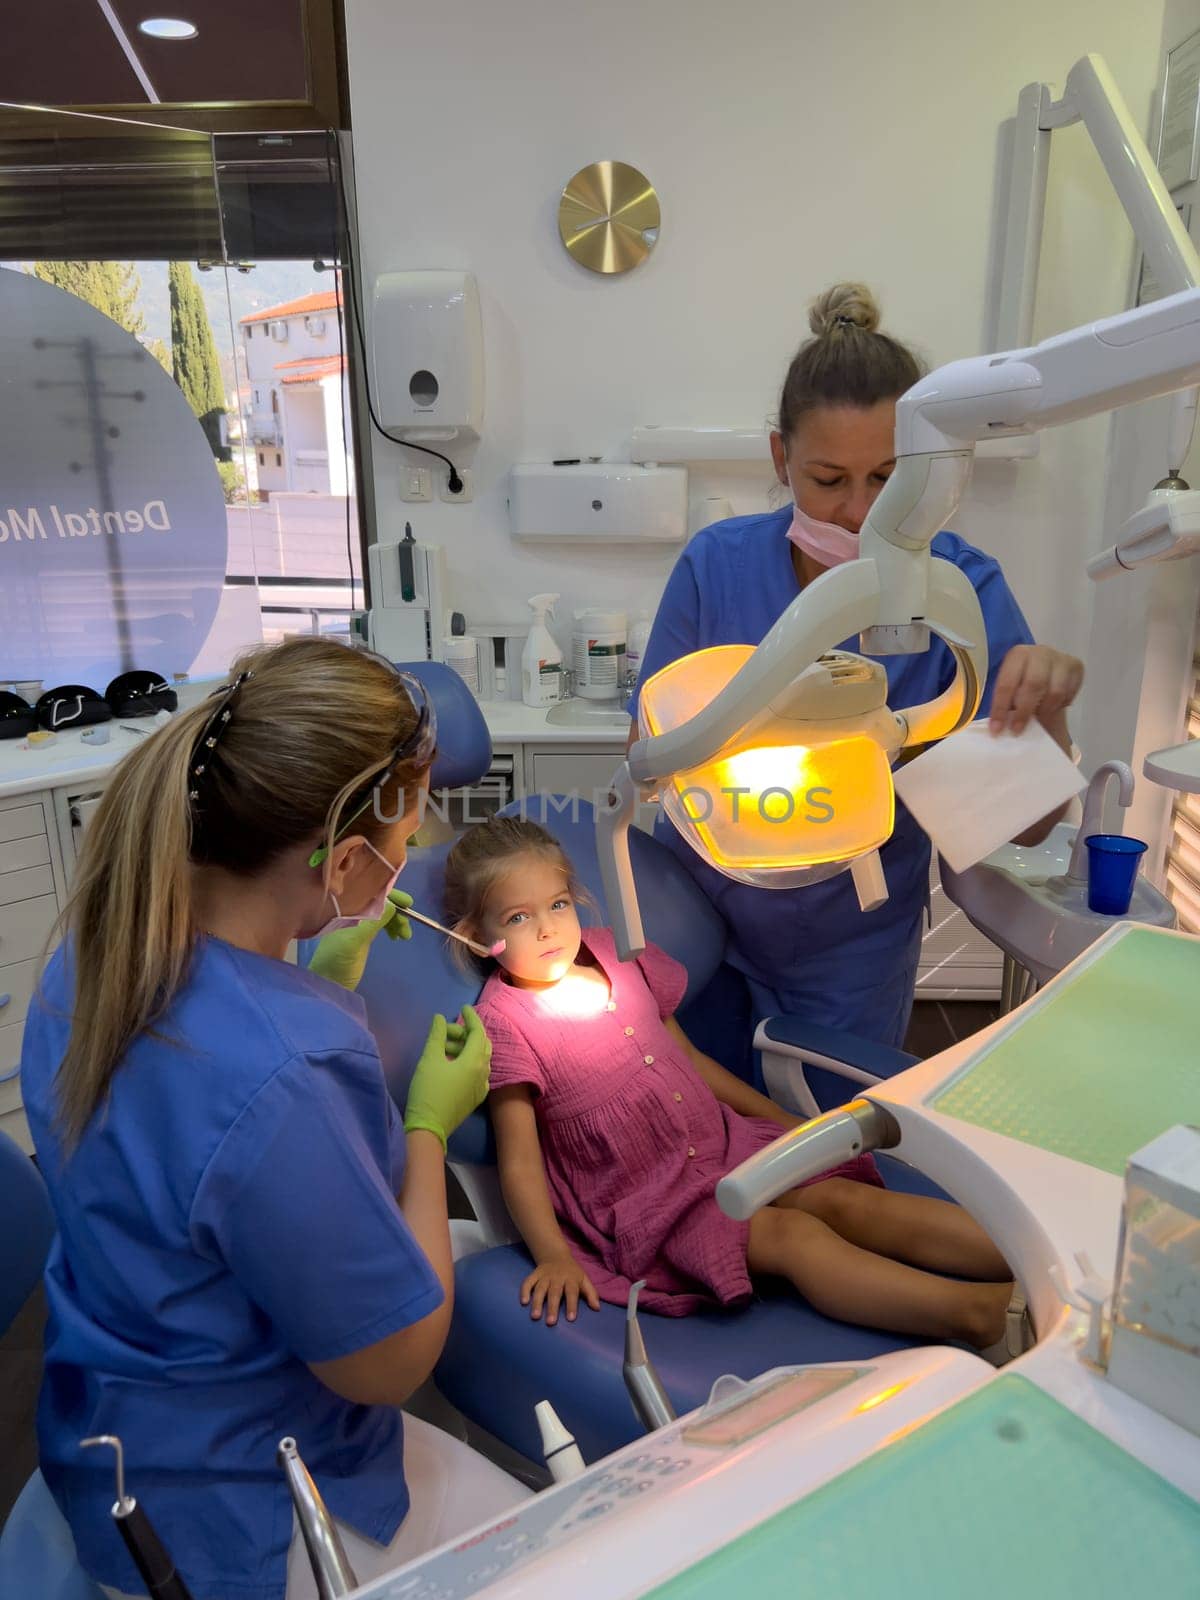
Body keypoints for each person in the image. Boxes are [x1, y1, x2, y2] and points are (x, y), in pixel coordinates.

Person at [20, 638, 524, 1600]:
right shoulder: (285, 1070)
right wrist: (426, 1124)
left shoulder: (95, 954)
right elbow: (390, 1362)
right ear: (340, 864)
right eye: (408, 835)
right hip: (236, 1505)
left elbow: (195, 1134)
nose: (414, 857)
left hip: (114, 1422)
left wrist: (308, 978)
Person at [629, 282, 1085, 1049]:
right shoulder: (718, 565)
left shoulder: (960, 594)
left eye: (887, 479)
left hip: (852, 944)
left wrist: (1045, 714)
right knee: (695, 1138)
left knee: (828, 1141)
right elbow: (645, 756)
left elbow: (1022, 828)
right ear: (781, 457)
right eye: (829, 480)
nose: (859, 513)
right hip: (700, 915)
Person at [443, 817, 1026, 1357]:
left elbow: (692, 1062)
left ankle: (1036, 1261)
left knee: (843, 1200)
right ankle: (976, 1313)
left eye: (558, 904)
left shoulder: (617, 958)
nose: (547, 928)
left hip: (728, 1146)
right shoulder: (507, 1024)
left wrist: (789, 1127)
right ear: (476, 936)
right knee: (794, 1235)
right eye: (518, 918)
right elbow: (520, 1163)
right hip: (656, 1203)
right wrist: (553, 1257)